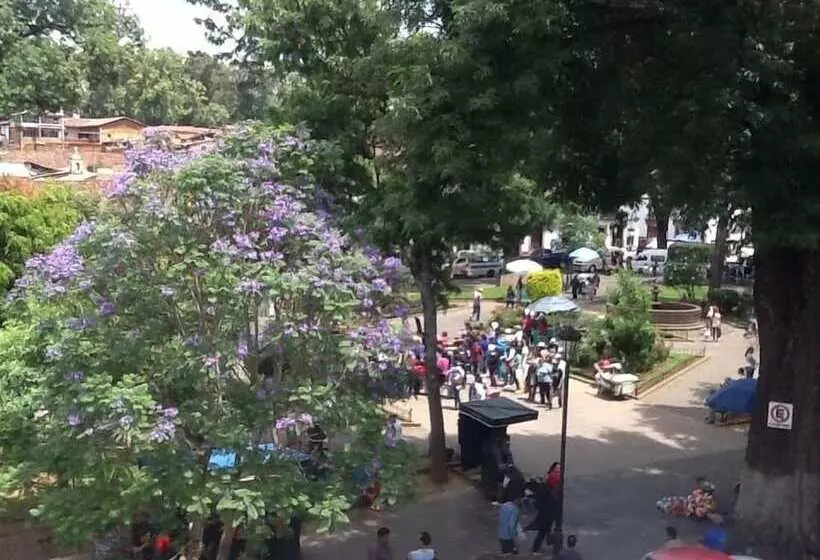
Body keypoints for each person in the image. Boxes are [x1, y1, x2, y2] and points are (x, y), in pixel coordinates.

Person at [526, 481, 558, 554]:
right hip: (548, 518)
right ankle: (550, 544)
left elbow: (537, 505)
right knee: (545, 532)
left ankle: (535, 550)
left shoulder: (541, 495)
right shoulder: (551, 497)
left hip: (544, 518)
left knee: (541, 535)